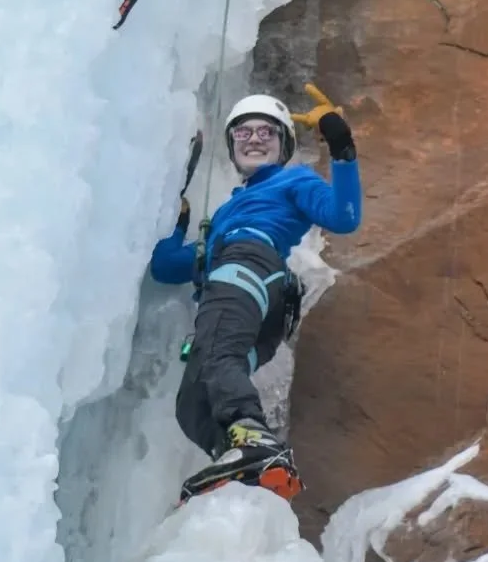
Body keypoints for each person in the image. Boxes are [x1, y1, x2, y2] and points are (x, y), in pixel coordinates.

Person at [150, 83, 360, 501]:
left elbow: (344, 215)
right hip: (252, 297)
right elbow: (165, 267)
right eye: (243, 132)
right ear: (231, 145)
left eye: (268, 131)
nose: (254, 138)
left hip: (250, 265)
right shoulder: (225, 215)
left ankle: (254, 442)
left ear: (283, 146)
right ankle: (242, 467)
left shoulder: (293, 181)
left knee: (216, 356)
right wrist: (177, 221)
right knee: (192, 402)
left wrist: (340, 141)